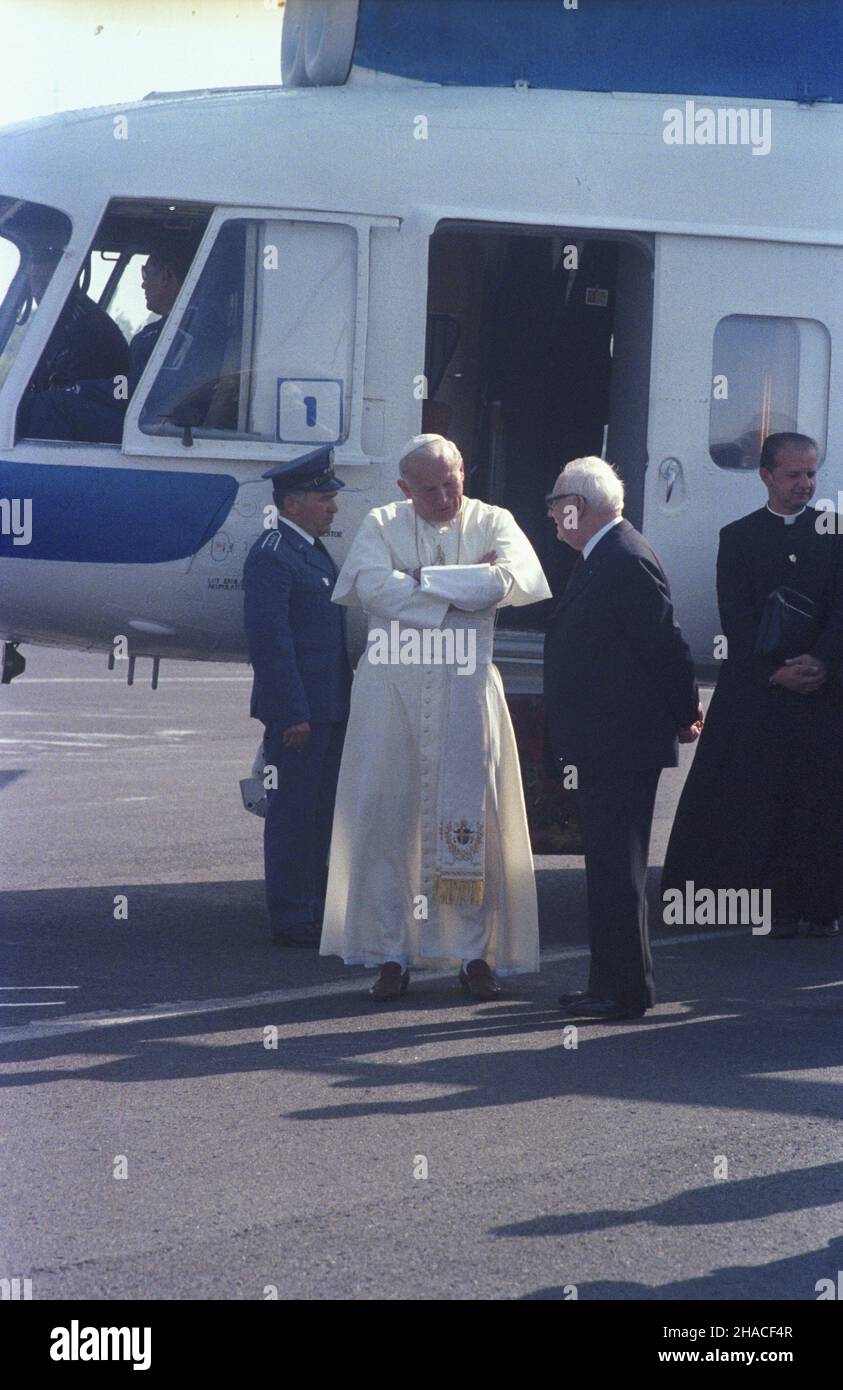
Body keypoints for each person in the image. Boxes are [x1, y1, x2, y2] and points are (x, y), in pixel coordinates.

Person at [319, 433, 552, 1001]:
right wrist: (460, 587)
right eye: (430, 489)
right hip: (391, 691)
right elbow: (370, 587)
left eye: (453, 482)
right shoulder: (380, 523)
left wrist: (419, 582)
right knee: (387, 817)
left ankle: (473, 954)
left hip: (465, 689)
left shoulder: (494, 520)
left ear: (464, 472)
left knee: (470, 817)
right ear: (405, 489)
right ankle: (390, 953)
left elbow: (510, 580)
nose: (446, 496)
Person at [662, 432, 843, 938]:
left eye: (810, 474)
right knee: (754, 795)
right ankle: (755, 903)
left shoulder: (836, 532)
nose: (804, 484)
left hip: (824, 691)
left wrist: (823, 663)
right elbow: (736, 618)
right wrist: (774, 671)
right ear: (766, 476)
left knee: (818, 800)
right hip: (760, 687)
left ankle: (819, 905)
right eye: (793, 475)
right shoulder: (738, 537)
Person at [544, 456, 701, 1022]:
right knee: (607, 869)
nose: (551, 516)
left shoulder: (624, 557)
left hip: (622, 744)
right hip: (604, 742)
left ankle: (628, 991)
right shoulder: (601, 555)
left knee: (620, 871)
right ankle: (605, 982)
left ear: (578, 507)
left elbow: (666, 644)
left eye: (554, 504)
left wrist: (685, 712)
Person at [243, 446, 351, 948]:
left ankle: (311, 906)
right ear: (292, 504)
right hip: (301, 716)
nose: (332, 506)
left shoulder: (308, 550)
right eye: (323, 497)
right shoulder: (272, 554)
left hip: (326, 710)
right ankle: (291, 916)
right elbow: (272, 644)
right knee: (293, 815)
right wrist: (292, 715)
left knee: (318, 811)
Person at [20, 245, 190, 444]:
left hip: (151, 427)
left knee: (54, 405)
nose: (143, 285)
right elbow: (128, 386)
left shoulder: (168, 336)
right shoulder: (158, 333)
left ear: (166, 276)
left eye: (147, 273)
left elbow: (132, 389)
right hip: (143, 418)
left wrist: (81, 389)